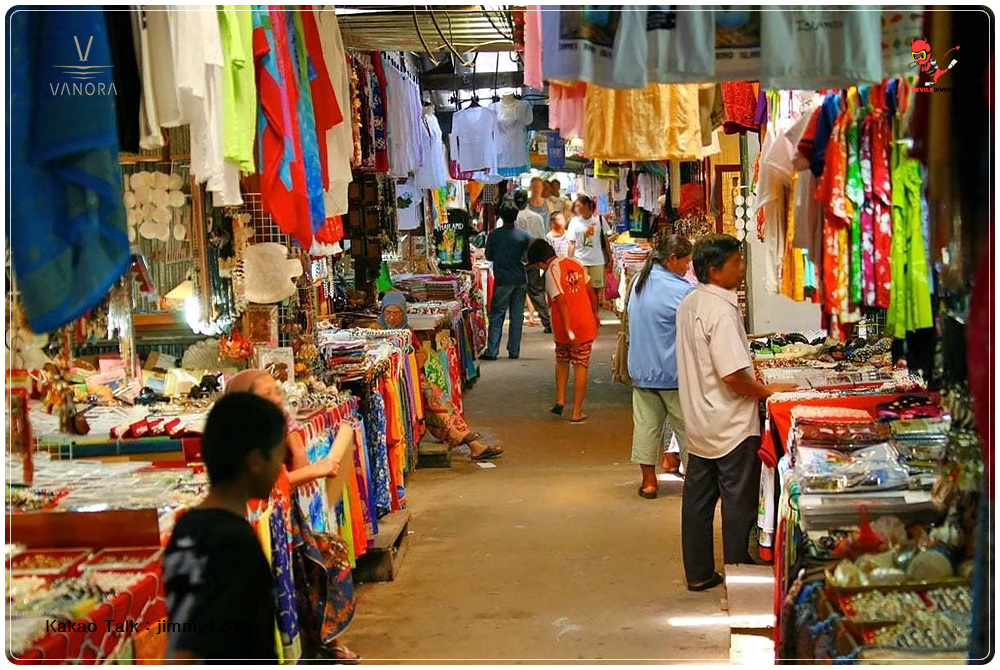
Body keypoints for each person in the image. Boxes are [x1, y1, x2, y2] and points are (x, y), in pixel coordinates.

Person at [675, 234, 797, 591]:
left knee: (698, 501)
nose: (742, 269)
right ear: (715, 270)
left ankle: (699, 573)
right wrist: (769, 390)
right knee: (737, 502)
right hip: (730, 423)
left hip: (700, 419)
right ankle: (738, 573)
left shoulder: (690, 303)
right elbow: (732, 375)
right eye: (736, 263)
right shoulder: (721, 311)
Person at [226, 368, 361, 663]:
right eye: (267, 394)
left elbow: (288, 425)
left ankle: (328, 640)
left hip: (286, 523)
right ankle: (325, 642)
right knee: (324, 559)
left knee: (329, 554)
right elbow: (265, 486)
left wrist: (298, 449)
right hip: (261, 533)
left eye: (276, 391)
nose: (276, 398)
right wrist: (315, 469)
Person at [164, 392, 286, 662]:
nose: (281, 467)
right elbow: (193, 650)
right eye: (279, 455)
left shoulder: (187, 526)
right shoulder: (235, 543)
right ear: (255, 462)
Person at [378, 293, 504, 460]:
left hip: (412, 382)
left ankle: (468, 440)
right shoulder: (376, 332)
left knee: (439, 399)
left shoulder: (407, 332)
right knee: (434, 398)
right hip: (400, 384)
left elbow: (419, 358)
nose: (392, 317)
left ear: (403, 313)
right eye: (388, 313)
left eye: (397, 313)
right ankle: (469, 441)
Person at [627, 235, 694, 499]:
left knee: (646, 427)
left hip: (642, 369)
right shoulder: (682, 291)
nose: (687, 268)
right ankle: (695, 483)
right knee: (688, 429)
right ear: (672, 259)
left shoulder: (638, 282)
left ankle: (648, 483)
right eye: (685, 261)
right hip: (673, 372)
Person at [527, 238, 599, 424]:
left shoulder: (551, 272)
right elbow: (590, 289)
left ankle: (560, 400)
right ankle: (576, 411)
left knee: (562, 359)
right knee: (581, 363)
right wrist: (594, 313)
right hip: (584, 322)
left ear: (541, 262)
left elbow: (560, 301)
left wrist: (567, 328)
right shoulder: (575, 262)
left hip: (563, 325)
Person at [484, 195, 532, 360]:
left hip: (503, 279)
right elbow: (530, 256)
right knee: (517, 316)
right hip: (520, 278)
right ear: (516, 216)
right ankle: (514, 350)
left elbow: (489, 256)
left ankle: (492, 351)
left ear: (501, 216)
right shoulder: (524, 236)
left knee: (497, 314)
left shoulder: (494, 235)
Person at [513, 189, 552, 332]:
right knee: (536, 292)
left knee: (515, 293)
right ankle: (548, 323)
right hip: (533, 260)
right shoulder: (537, 218)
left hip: (515, 261)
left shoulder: (510, 219)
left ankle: (515, 325)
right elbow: (542, 239)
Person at [567, 195, 613, 308]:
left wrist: (610, 257)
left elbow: (606, 240)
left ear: (587, 206)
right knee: (582, 289)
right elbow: (572, 243)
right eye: (576, 206)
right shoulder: (574, 222)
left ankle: (594, 313)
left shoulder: (599, 220)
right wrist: (569, 261)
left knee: (595, 290)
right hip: (580, 261)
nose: (577, 208)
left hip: (597, 260)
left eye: (579, 206)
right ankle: (585, 313)